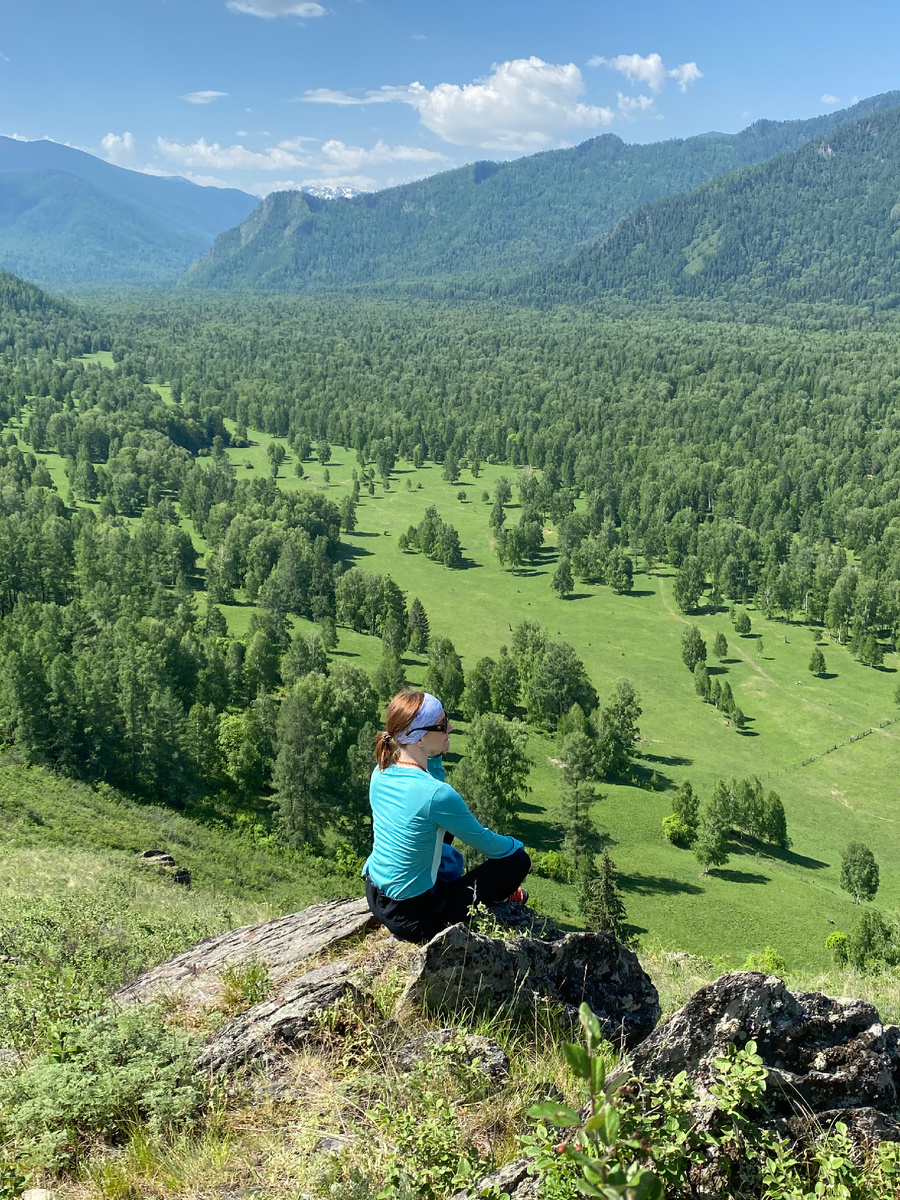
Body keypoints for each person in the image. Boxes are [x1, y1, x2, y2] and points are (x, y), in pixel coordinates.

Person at [362, 689, 531, 943]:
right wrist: (517, 846)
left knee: (440, 825)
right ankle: (499, 895)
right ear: (419, 737)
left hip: (375, 894)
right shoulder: (438, 795)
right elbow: (491, 846)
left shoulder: (381, 770)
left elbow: (426, 793)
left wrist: (437, 753)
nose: (449, 728)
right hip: (415, 918)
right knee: (517, 861)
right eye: (442, 725)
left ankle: (443, 877)